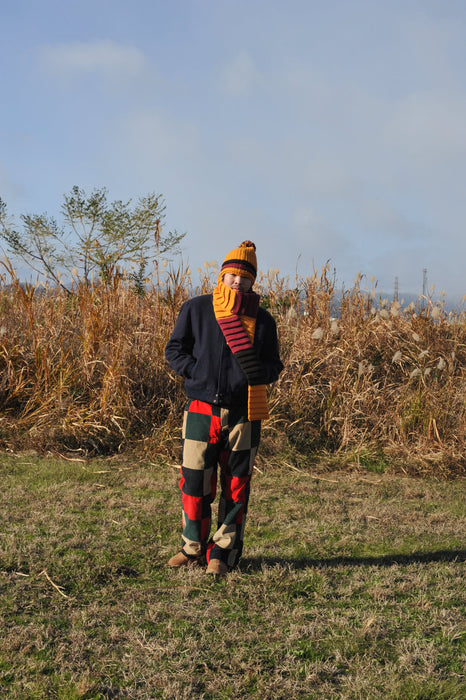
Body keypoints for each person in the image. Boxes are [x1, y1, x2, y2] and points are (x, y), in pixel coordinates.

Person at [165, 240, 284, 576]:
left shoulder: (263, 321)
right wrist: (196, 372)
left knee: (236, 485)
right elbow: (174, 349)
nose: (237, 282)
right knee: (193, 482)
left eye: (244, 277)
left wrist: (256, 376)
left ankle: (223, 553)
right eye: (232, 275)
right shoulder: (197, 308)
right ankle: (192, 549)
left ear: (252, 282)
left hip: (245, 413)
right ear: (222, 275)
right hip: (201, 409)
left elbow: (274, 364)